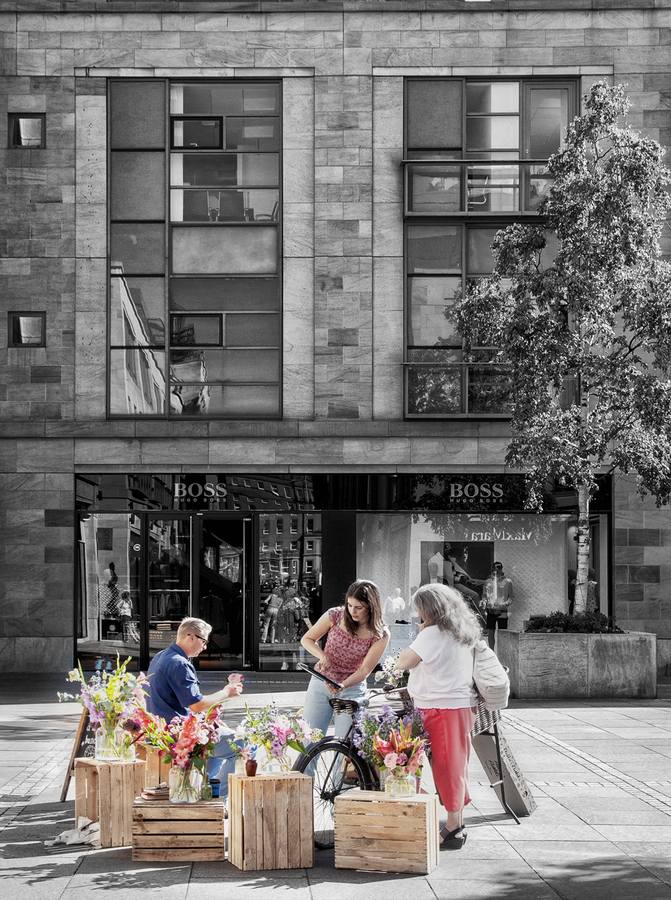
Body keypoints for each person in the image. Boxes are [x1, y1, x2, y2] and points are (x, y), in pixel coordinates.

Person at [397, 583, 482, 851]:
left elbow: (404, 661)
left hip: (442, 706)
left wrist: (420, 634)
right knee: (455, 764)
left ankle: (454, 828)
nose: (417, 614)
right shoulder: (460, 630)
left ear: (429, 609)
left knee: (447, 766)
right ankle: (455, 822)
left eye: (420, 609)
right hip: (457, 705)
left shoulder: (433, 633)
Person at [144, 617, 243, 796]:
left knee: (218, 738)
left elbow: (180, 703)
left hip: (165, 730)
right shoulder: (178, 663)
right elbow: (197, 705)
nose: (205, 647)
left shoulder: (161, 656)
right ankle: (217, 796)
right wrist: (227, 692)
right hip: (179, 735)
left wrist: (210, 722)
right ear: (191, 637)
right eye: (204, 641)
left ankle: (202, 788)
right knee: (245, 746)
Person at [300, 579, 390, 740]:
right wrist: (322, 655)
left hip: (352, 689)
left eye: (359, 607)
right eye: (349, 605)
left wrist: (344, 685)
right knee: (308, 741)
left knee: (345, 745)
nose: (352, 611)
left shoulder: (380, 634)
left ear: (371, 607)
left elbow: (364, 670)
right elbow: (307, 639)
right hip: (321, 682)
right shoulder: (335, 615)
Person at [480, 562, 514, 650]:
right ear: (492, 569)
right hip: (491, 609)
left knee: (502, 632)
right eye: (495, 569)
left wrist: (505, 604)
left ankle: (502, 652)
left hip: (502, 610)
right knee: (491, 631)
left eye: (499, 568)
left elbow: (511, 597)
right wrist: (484, 601)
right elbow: (484, 595)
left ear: (502, 569)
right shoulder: (488, 582)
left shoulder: (507, 581)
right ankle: (491, 651)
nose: (497, 570)